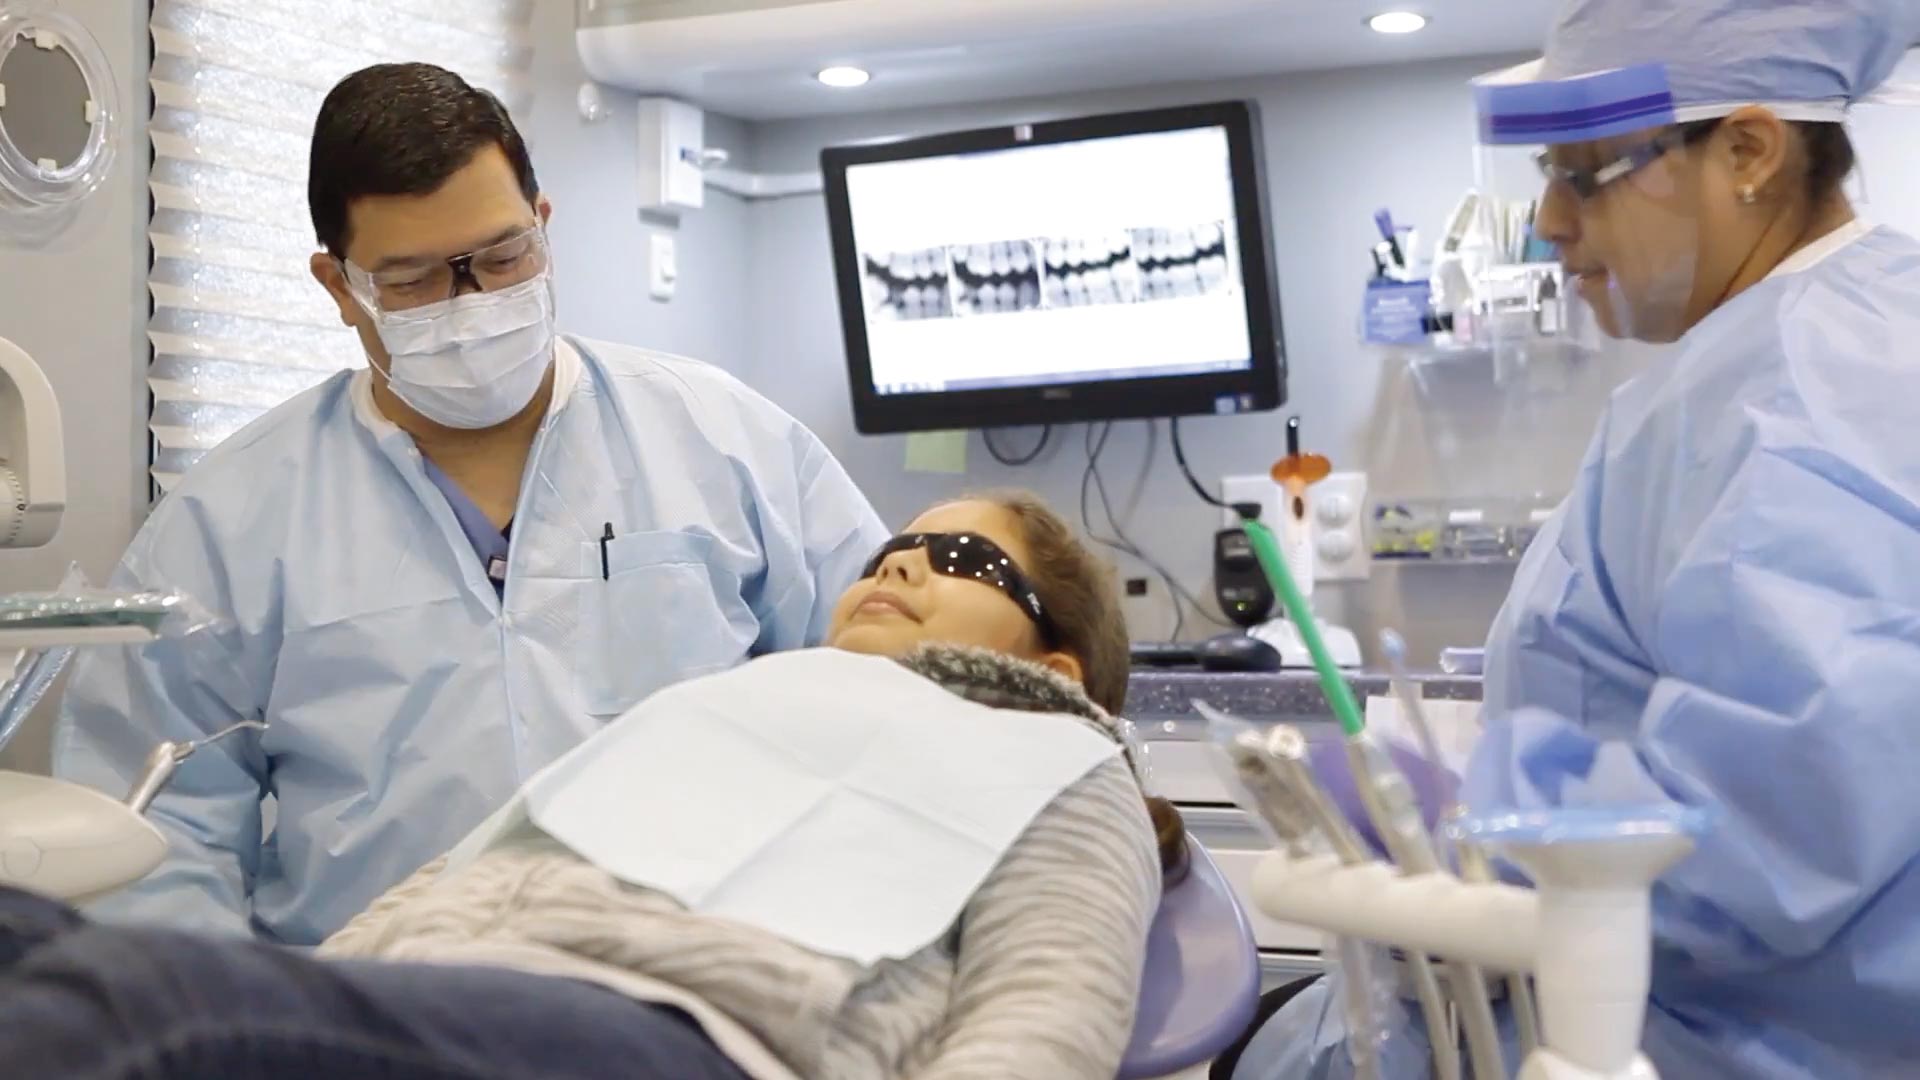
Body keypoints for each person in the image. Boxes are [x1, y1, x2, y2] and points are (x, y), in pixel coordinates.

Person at [52, 62, 886, 946]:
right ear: (339, 287)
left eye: (502, 257)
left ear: (545, 227)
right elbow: (151, 833)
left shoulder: (728, 445)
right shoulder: (231, 524)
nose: (474, 305)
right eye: (412, 282)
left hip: (697, 998)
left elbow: (893, 685)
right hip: (375, 1017)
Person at [1238, 1, 1920, 1077]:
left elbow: (1775, 822)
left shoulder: (1814, 389)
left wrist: (1470, 864)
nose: (1550, 220)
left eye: (1587, 173)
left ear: (1747, 149)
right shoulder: (1766, 365)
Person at [1, 493, 1176, 1080]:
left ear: (1053, 659)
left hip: (689, 1032)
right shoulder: (734, 702)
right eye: (885, 555)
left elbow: (1043, 1017)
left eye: (964, 560)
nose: (903, 561)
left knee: (148, 1010)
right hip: (461, 984)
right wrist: (313, 990)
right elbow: (464, 873)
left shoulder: (1057, 759)